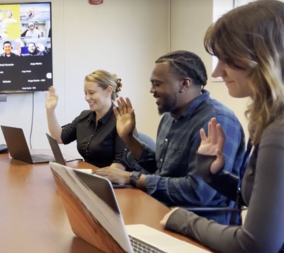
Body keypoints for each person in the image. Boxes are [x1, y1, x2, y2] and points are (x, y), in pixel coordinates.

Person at [160, 0, 284, 253]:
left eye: (226, 60)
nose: (216, 73)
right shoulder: (271, 122)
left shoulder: (278, 132)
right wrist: (213, 174)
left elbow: (255, 245)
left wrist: (182, 219)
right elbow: (259, 204)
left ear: (261, 58)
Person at [96, 50, 246, 224]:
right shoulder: (169, 116)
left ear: (184, 84)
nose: (152, 90)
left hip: (202, 222)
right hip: (164, 209)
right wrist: (128, 137)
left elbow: (199, 192)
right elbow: (161, 169)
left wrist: (133, 178)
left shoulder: (217, 120)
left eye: (157, 84)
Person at [46, 71, 130, 168]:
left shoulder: (122, 120)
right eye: (85, 93)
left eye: (91, 93)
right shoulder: (84, 116)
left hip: (110, 179)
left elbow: (120, 165)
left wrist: (92, 176)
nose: (87, 98)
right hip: (90, 173)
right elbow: (60, 137)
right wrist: (50, 110)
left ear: (108, 90)